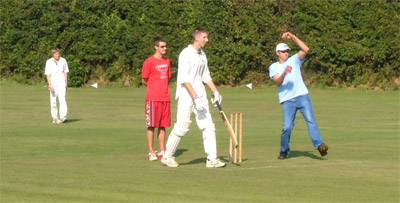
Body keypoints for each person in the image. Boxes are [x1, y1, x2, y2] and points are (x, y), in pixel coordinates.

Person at [161, 27, 226, 168]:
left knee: (208, 126)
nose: (207, 40)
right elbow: (184, 79)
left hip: (200, 94)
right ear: (196, 37)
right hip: (186, 95)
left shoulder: (202, 54)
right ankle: (167, 156)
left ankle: (212, 159)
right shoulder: (185, 54)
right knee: (182, 126)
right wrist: (194, 97)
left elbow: (205, 75)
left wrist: (215, 92)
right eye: (205, 37)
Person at [268, 32, 328, 160]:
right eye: (283, 51)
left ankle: (320, 145)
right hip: (287, 100)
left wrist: (293, 37)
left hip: (302, 95)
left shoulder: (294, 60)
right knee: (287, 127)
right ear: (277, 53)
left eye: (287, 51)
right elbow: (278, 82)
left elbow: (306, 49)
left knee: (311, 120)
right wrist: (284, 73)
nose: (286, 53)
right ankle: (284, 150)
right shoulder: (273, 67)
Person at [142, 37, 172, 161]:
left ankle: (162, 151)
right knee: (151, 125)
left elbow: (167, 77)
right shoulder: (149, 62)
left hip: (165, 98)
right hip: (153, 98)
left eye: (165, 46)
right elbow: (144, 79)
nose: (164, 48)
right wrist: (154, 88)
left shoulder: (167, 61)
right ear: (156, 47)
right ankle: (151, 151)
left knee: (162, 126)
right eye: (162, 46)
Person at [45, 48, 69, 124]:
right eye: (56, 54)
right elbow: (47, 75)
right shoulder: (49, 62)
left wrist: (66, 83)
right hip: (53, 84)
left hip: (62, 83)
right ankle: (55, 118)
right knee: (53, 101)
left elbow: (65, 72)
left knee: (62, 100)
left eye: (58, 54)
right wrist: (50, 85)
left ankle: (63, 117)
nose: (57, 55)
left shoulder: (63, 60)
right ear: (53, 54)